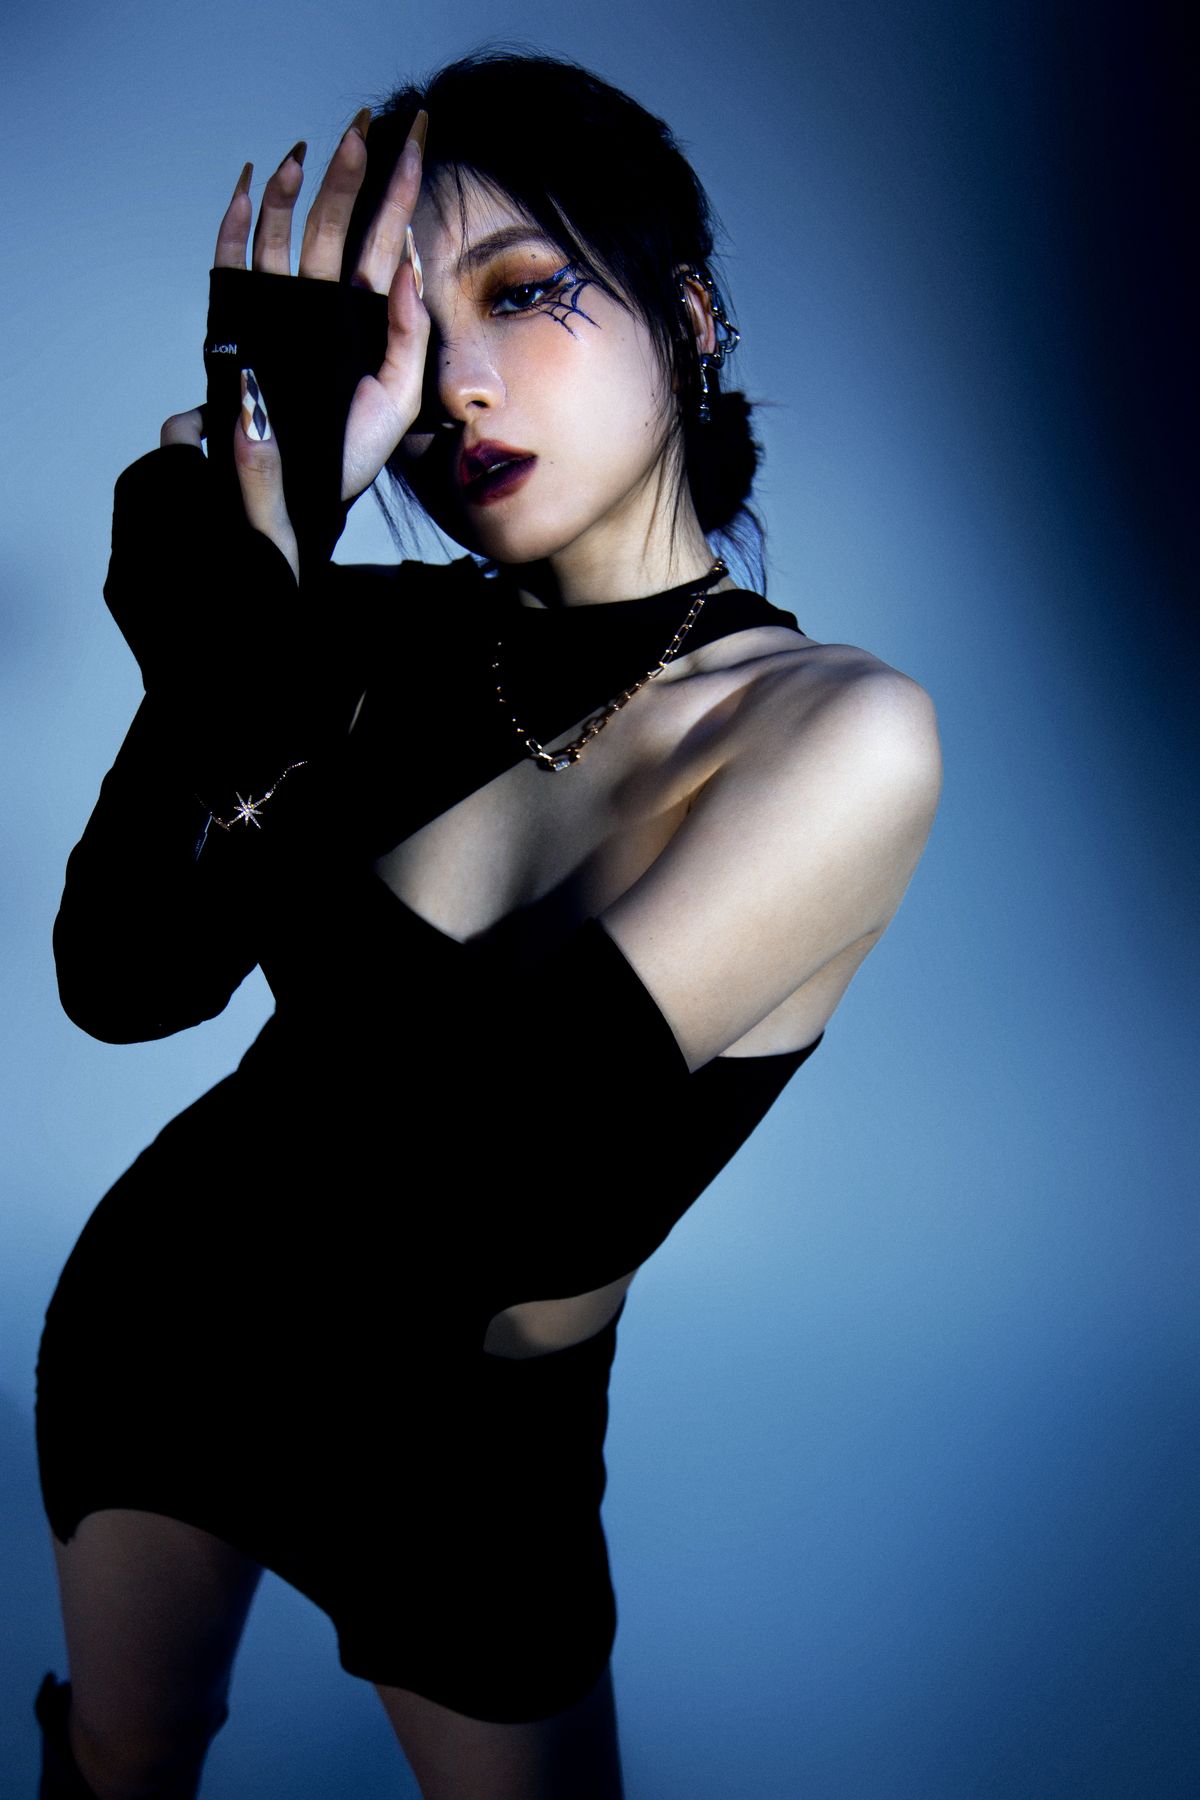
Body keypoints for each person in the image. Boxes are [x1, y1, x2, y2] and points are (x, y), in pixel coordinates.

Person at [32, 48, 942, 1800]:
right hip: (176, 1322)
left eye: (523, 293)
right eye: (396, 330)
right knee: (123, 1772)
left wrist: (260, 670)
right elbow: (122, 984)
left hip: (466, 1448)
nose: (453, 382)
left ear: (690, 316)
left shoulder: (833, 732)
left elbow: (493, 1198)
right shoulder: (348, 639)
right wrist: (253, 612)